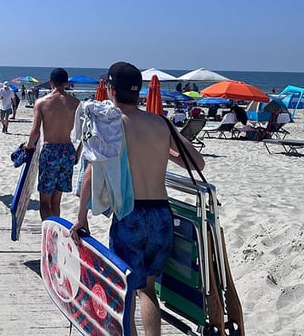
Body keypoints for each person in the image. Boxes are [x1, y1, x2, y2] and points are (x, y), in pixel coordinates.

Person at [71, 61, 205, 336]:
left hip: (130, 215)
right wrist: (161, 151)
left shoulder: (110, 124)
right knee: (148, 291)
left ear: (110, 89)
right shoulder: (161, 123)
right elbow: (197, 163)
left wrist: (81, 216)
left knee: (126, 291)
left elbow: (92, 170)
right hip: (161, 215)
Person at [25, 68, 80, 220]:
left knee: (44, 202)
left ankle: (49, 236)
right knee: (56, 202)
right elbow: (84, 133)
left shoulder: (41, 102)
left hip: (50, 151)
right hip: (68, 150)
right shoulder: (76, 103)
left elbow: (35, 131)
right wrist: (77, 154)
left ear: (50, 82)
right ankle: (57, 238)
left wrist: (28, 146)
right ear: (67, 83)